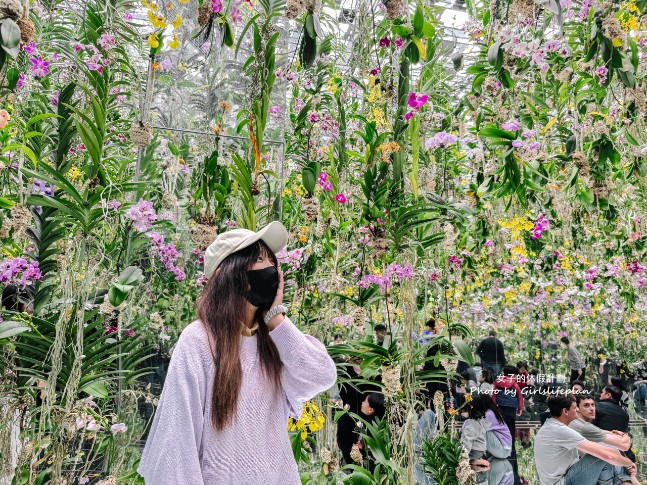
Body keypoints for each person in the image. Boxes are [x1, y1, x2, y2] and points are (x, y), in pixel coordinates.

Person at [138, 222, 337, 484]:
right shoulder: (199, 341)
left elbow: (321, 375)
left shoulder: (275, 341)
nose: (270, 270)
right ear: (229, 274)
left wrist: (277, 321)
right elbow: (177, 443)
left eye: (271, 261)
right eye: (257, 259)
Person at [534, 394, 637, 485]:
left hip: (565, 477)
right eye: (575, 408)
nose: (577, 410)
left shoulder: (551, 426)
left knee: (607, 453)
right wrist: (629, 463)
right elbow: (608, 454)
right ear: (565, 411)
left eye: (593, 405)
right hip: (563, 481)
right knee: (606, 453)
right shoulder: (560, 430)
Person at [492, 365, 524, 485]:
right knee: (511, 428)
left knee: (501, 427)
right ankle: (510, 448)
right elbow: (520, 397)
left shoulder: (497, 383)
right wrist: (519, 408)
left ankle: (501, 444)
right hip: (511, 409)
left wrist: (493, 407)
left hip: (500, 408)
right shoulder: (514, 384)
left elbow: (493, 395)